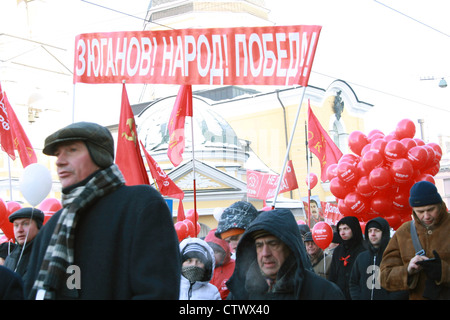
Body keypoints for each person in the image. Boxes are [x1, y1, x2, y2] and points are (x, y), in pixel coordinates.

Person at [23, 121, 180, 300]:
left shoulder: (141, 206)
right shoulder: (53, 226)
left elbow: (158, 293)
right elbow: (31, 291)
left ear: (99, 156)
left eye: (72, 150)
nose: (59, 161)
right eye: (58, 154)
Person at [226, 208, 344, 299]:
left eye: (273, 244)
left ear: (289, 247)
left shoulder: (324, 293)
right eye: (259, 245)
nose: (265, 253)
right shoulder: (239, 294)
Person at [380, 181, 450, 299]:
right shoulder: (403, 232)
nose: (426, 216)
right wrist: (407, 270)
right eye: (420, 211)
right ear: (413, 210)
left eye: (431, 209)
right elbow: (384, 277)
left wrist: (443, 271)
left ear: (439, 204)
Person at [349, 217, 406, 300]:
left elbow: (403, 284)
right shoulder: (361, 257)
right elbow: (353, 282)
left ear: (384, 232)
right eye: (370, 231)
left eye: (377, 230)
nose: (373, 234)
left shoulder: (395, 256)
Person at [329, 216, 365, 299]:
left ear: (354, 229)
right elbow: (333, 275)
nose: (342, 233)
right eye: (340, 229)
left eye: (346, 228)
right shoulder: (338, 250)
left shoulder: (364, 250)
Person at [4, 208, 44, 279]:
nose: (19, 230)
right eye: (16, 225)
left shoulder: (45, 253)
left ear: (39, 227)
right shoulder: (11, 257)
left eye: (25, 224)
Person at [205, 229, 235, 299]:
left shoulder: (235, 267)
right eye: (210, 250)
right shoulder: (203, 267)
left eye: (216, 251)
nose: (212, 254)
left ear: (225, 251)